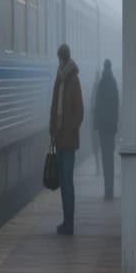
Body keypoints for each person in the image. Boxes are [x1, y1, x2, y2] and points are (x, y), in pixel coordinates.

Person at [49, 43, 83, 235]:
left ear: (63, 59)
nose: (59, 63)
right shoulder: (60, 79)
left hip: (68, 140)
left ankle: (69, 223)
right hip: (59, 138)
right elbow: (55, 106)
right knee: (63, 181)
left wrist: (69, 129)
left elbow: (80, 111)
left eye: (60, 59)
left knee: (67, 181)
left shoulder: (73, 81)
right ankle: (66, 221)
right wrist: (52, 129)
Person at [92, 58, 119, 199]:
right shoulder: (113, 83)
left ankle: (107, 189)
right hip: (111, 128)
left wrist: (96, 125)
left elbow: (98, 105)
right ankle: (110, 189)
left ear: (104, 67)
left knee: (105, 158)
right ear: (111, 67)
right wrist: (115, 125)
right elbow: (116, 106)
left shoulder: (102, 83)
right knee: (110, 159)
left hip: (103, 128)